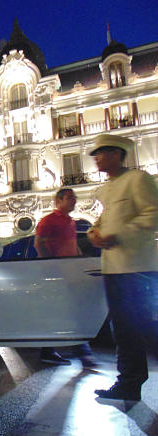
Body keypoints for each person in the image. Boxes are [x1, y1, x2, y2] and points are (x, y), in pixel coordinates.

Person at [86, 134, 158, 401]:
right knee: (124, 328)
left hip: (137, 267)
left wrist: (120, 235)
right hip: (114, 268)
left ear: (117, 154)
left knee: (143, 326)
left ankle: (129, 381)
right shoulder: (106, 189)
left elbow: (153, 214)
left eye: (101, 153)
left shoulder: (138, 179)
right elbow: (101, 220)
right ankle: (128, 382)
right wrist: (94, 233)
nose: (96, 158)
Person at [34, 188, 99, 368]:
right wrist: (53, 266)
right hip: (59, 275)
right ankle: (83, 353)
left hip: (71, 274)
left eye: (74, 198)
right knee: (73, 311)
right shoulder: (48, 221)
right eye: (70, 198)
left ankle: (48, 351)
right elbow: (38, 244)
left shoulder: (71, 222)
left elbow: (72, 246)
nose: (74, 201)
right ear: (58, 201)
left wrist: (79, 261)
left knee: (65, 312)